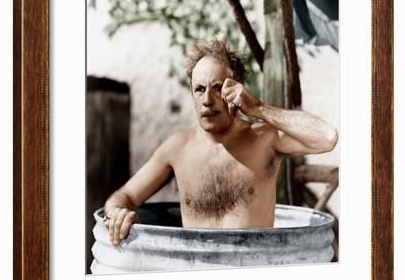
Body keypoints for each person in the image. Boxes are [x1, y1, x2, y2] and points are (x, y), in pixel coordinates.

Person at [103, 39, 338, 245]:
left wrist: (259, 108)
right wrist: (118, 214)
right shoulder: (177, 148)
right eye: (199, 89)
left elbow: (327, 137)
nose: (207, 100)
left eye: (217, 88)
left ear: (237, 89)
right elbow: (124, 196)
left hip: (256, 271)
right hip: (196, 275)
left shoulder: (264, 139)